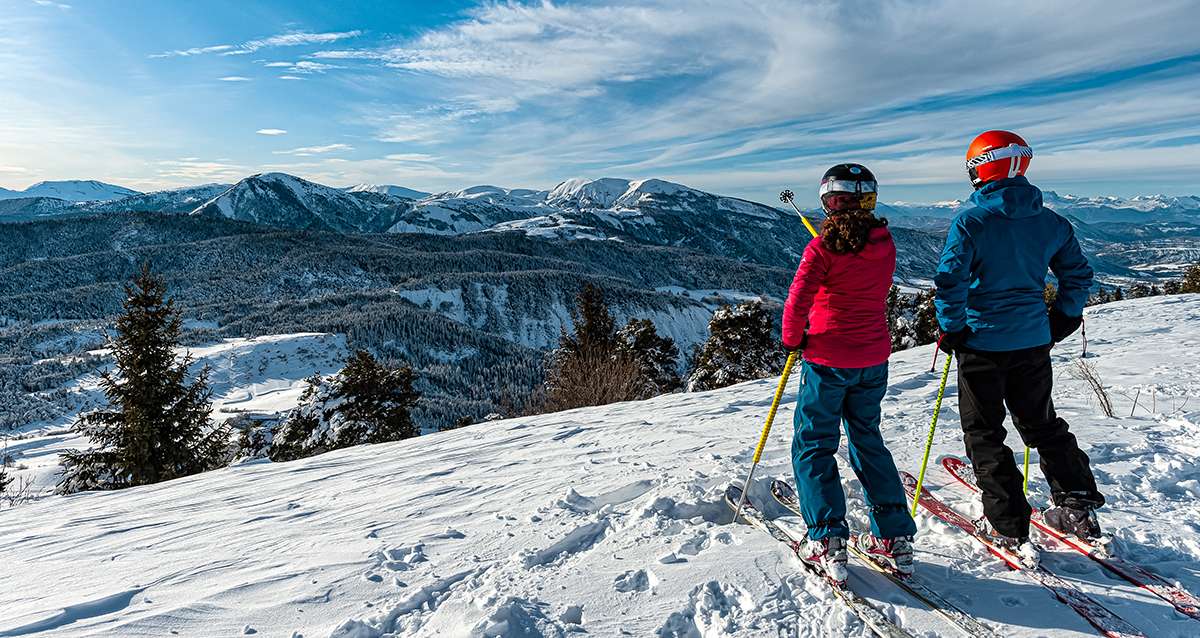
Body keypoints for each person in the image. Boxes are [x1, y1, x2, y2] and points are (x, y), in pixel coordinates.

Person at [934, 130, 1104, 564]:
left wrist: (952, 328)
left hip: (982, 341)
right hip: (1032, 340)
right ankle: (1077, 505)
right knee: (1042, 424)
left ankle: (1008, 526)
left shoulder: (971, 221)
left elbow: (951, 282)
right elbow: (1078, 275)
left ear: (979, 168)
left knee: (985, 431)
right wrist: (1063, 316)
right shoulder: (1050, 222)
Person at [782, 164, 917, 583]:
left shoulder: (821, 250)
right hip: (873, 358)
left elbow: (798, 298)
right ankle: (893, 536)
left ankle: (826, 538)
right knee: (867, 439)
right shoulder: (885, 243)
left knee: (814, 444)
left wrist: (791, 339)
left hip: (827, 359)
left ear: (828, 202)